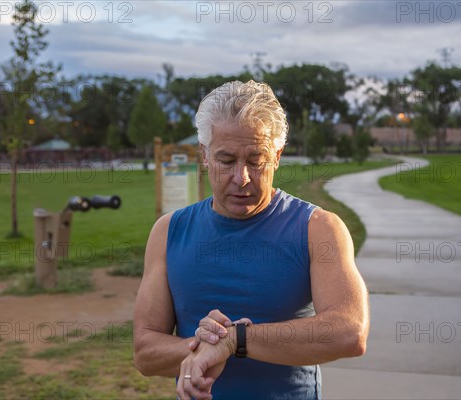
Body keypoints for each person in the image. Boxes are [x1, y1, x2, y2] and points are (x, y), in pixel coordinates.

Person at [133, 80, 369, 400]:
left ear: (277, 156)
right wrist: (202, 348)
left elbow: (349, 331)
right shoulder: (168, 231)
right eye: (226, 160)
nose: (241, 178)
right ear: (204, 155)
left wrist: (236, 340)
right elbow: (145, 353)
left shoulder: (318, 227)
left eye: (256, 160)